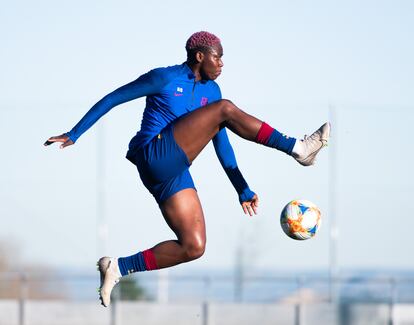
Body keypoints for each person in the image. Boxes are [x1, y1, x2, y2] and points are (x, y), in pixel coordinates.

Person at [44, 31, 330, 307]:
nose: (221, 64)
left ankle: (117, 268)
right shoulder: (165, 77)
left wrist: (242, 187)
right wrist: (75, 133)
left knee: (193, 246)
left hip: (173, 169)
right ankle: (298, 148)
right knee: (225, 109)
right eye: (217, 58)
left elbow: (223, 145)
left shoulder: (213, 92)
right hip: (152, 153)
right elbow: (112, 98)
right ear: (199, 55)